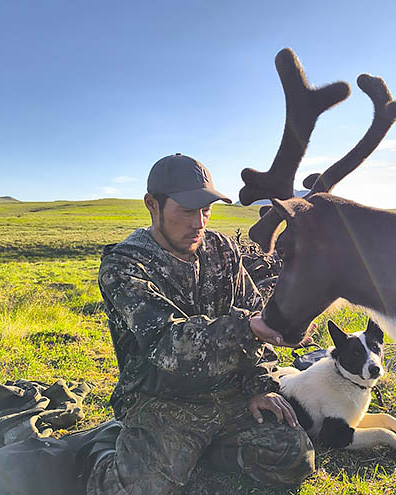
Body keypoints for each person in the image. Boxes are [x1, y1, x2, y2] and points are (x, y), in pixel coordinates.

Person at [86, 153, 315, 494]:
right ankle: (109, 452)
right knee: (140, 488)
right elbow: (168, 347)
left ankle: (197, 453)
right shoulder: (124, 266)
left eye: (207, 209)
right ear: (152, 205)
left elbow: (253, 311)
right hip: (161, 400)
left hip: (229, 393)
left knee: (295, 454)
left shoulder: (222, 248)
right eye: (188, 210)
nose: (200, 222)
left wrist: (259, 385)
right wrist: (246, 328)